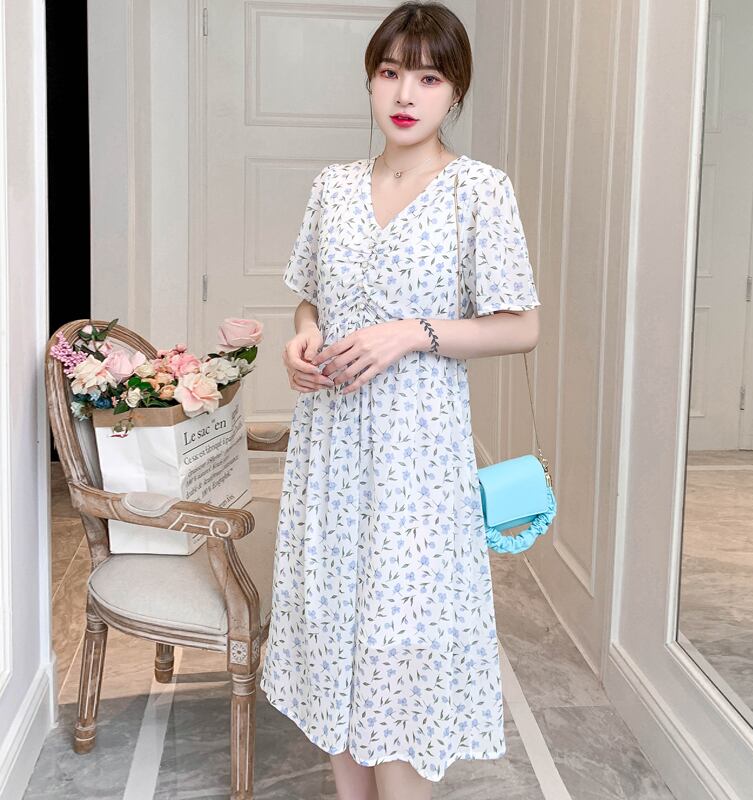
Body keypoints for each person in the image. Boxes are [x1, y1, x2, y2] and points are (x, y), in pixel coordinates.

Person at [260, 3, 541, 798]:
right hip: (329, 453)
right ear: (371, 81)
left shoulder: (478, 191)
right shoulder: (333, 188)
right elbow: (310, 298)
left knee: (401, 657)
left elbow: (522, 327)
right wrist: (302, 339)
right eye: (390, 72)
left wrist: (411, 334)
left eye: (429, 77)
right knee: (334, 647)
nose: (406, 93)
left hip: (416, 463)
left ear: (456, 91)